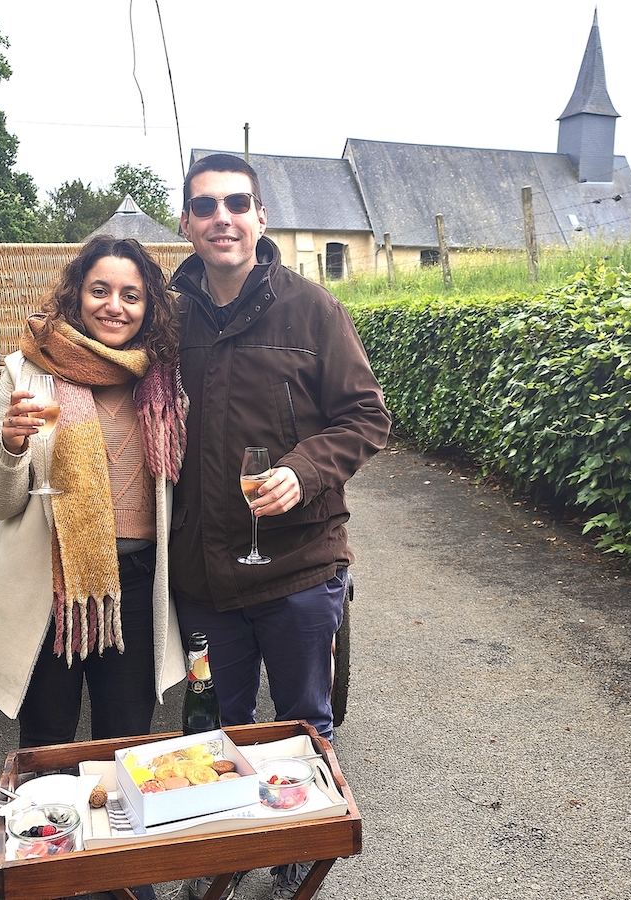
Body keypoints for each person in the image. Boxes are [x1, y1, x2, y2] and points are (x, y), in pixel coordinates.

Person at [169, 154, 391, 900]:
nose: (222, 217)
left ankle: (295, 844)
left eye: (238, 202)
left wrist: (305, 467)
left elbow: (367, 416)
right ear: (188, 224)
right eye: (206, 206)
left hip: (299, 566)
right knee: (218, 727)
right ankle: (224, 846)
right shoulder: (169, 321)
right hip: (203, 571)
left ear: (261, 218)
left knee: (300, 725)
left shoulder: (314, 310)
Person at [0, 236, 188, 754]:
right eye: (100, 290)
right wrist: (12, 446)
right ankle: (51, 834)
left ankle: (119, 837)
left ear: (149, 305)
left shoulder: (166, 379)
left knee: (126, 743)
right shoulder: (28, 372)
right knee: (47, 742)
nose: (114, 306)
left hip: (135, 584)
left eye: (131, 295)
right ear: (76, 296)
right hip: (49, 580)